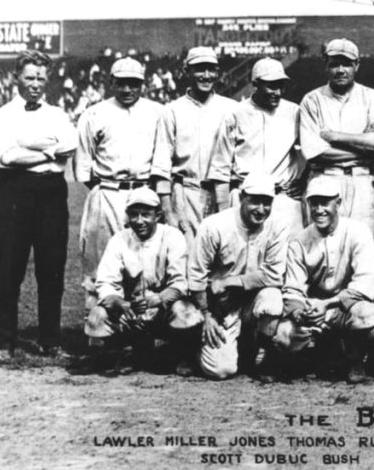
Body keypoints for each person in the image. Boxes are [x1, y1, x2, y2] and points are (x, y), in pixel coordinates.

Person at [0, 50, 76, 360]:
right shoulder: (2, 115)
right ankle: (5, 341)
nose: (35, 84)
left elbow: (68, 146)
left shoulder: (58, 115)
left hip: (51, 192)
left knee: (51, 267)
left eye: (41, 77)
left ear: (47, 79)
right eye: (29, 77)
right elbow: (6, 155)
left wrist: (31, 149)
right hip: (12, 191)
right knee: (8, 267)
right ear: (16, 77)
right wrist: (49, 151)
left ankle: (50, 339)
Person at [76, 57, 171, 308]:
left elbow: (162, 159)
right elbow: (84, 167)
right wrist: (109, 188)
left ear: (144, 83)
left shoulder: (158, 112)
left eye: (133, 83)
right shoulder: (94, 113)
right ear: (111, 82)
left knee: (143, 263)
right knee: (101, 264)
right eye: (121, 83)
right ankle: (98, 330)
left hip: (144, 194)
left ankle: (139, 331)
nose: (127, 90)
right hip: (107, 193)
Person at [269, 178, 374, 383]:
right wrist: (299, 311)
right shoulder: (299, 240)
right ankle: (317, 356)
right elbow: (293, 288)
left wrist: (328, 304)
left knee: (368, 315)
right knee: (283, 335)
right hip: (312, 310)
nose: (319, 209)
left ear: (338, 203)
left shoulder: (358, 232)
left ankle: (356, 359)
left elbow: (365, 286)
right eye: (314, 203)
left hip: (344, 308)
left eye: (325, 203)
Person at [83, 188, 200, 374]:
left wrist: (158, 300)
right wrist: (122, 304)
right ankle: (125, 352)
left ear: (158, 215)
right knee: (98, 315)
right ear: (127, 216)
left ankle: (183, 353)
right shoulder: (119, 240)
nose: (139, 221)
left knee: (185, 312)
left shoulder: (172, 237)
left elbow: (181, 283)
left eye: (146, 214)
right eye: (134, 214)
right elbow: (105, 283)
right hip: (132, 311)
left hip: (163, 310)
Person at [187, 173, 288, 380]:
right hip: (222, 306)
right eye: (255, 201)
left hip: (253, 301)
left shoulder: (277, 225)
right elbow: (196, 276)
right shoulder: (214, 225)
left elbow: (275, 274)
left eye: (266, 202)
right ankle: (196, 349)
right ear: (242, 197)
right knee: (220, 370)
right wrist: (206, 315)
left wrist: (231, 281)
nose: (261, 209)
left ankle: (264, 353)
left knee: (273, 299)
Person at [299, 39, 374, 255]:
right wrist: (362, 150)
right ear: (326, 65)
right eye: (334, 64)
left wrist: (334, 136)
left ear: (357, 65)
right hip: (324, 179)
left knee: (364, 249)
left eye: (347, 64)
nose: (340, 70)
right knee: (323, 251)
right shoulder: (311, 100)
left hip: (362, 183)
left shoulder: (372, 97)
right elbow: (313, 153)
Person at [207, 58, 304, 238]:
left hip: (282, 198)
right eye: (271, 86)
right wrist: (223, 212)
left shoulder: (294, 111)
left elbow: (309, 153)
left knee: (290, 257)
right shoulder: (235, 114)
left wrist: (301, 183)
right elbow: (220, 167)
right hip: (246, 199)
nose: (277, 92)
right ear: (255, 84)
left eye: (281, 86)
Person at [158, 47, 236, 243]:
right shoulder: (172, 110)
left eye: (211, 69)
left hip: (223, 195)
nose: (206, 76)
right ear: (187, 71)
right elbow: (161, 165)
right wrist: (168, 212)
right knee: (185, 262)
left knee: (222, 263)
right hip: (185, 193)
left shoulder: (231, 109)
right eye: (200, 69)